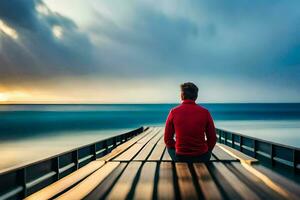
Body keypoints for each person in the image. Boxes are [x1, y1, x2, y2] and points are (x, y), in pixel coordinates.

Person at [164, 82, 217, 162]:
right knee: (206, 150)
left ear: (182, 95)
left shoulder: (173, 112)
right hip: (202, 157)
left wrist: (178, 148)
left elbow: (167, 139)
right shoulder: (205, 112)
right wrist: (205, 149)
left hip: (180, 157)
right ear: (196, 96)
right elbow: (212, 138)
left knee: (169, 147)